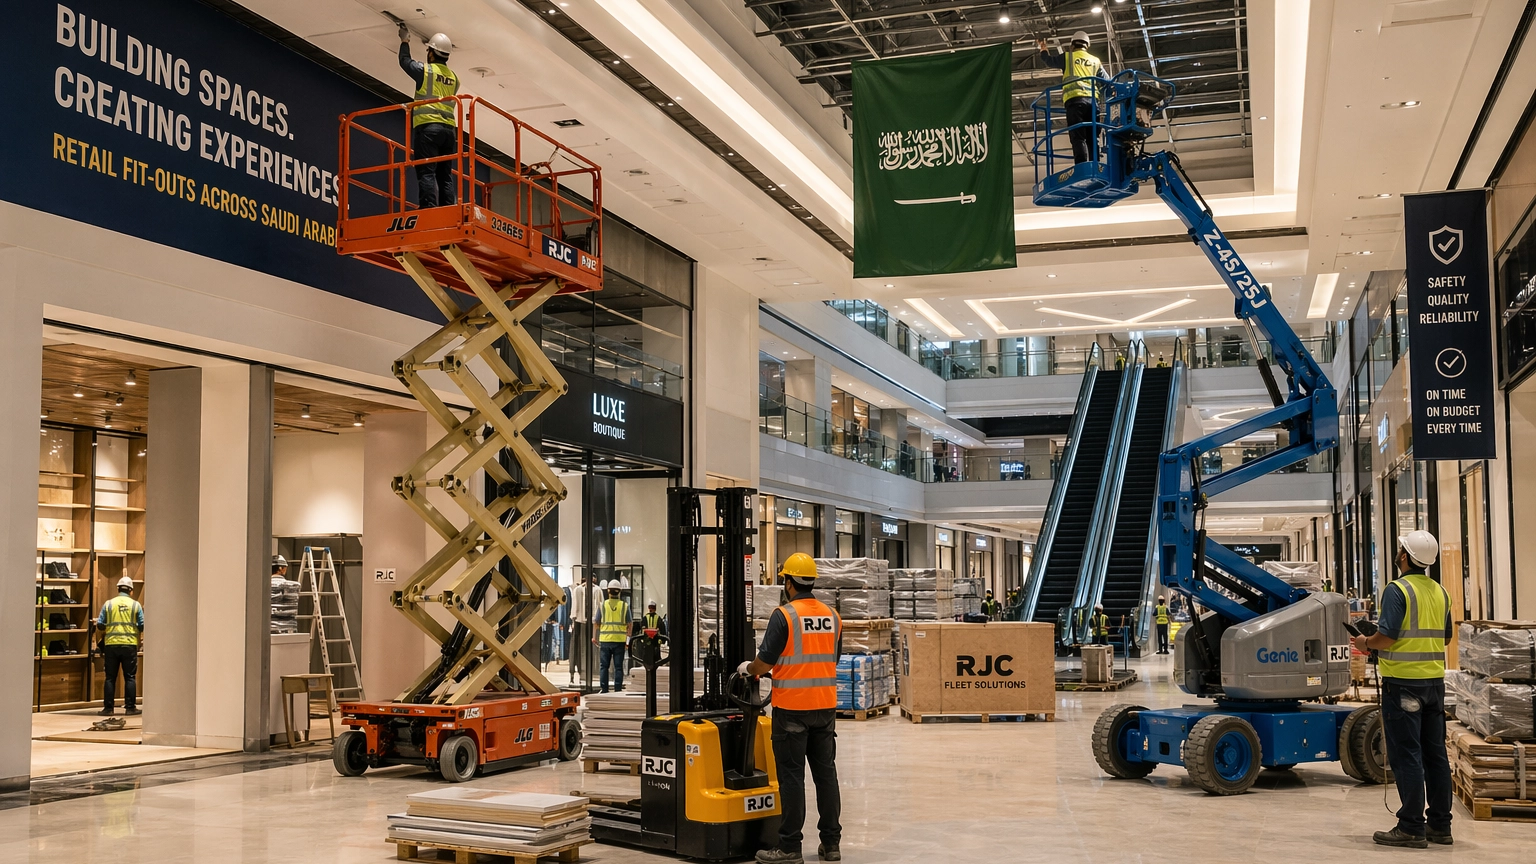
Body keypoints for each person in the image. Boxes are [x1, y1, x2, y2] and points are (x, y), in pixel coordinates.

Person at [739, 553, 842, 864]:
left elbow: (766, 661)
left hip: (792, 710)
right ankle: (831, 844)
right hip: (825, 708)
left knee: (792, 778)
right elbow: (831, 660)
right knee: (826, 776)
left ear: (788, 582)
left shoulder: (784, 616)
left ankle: (789, 848)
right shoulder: (832, 616)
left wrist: (749, 669)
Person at [1353, 531, 1453, 848]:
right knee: (1436, 755)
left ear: (1405, 557)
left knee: (1407, 754)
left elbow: (1388, 637)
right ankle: (1440, 825)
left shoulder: (1398, 591)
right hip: (1434, 685)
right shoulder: (1440, 592)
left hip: (1404, 686)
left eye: (1400, 550)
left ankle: (1411, 826)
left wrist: (1365, 643)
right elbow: (1446, 637)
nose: (1397, 553)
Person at [398, 25, 460, 209]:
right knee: (445, 175)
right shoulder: (455, 78)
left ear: (432, 53)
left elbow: (405, 61)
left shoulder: (425, 71)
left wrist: (405, 40)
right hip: (449, 132)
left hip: (428, 129)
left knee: (426, 172)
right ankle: (448, 210)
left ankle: (429, 209)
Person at [1036, 31, 1109, 164]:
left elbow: (1048, 60)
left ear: (1072, 45)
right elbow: (1107, 81)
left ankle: (1081, 166)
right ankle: (1096, 165)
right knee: (1093, 137)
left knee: (1078, 136)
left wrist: (1043, 47)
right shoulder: (1095, 61)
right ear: (1087, 45)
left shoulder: (1068, 57)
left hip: (1075, 101)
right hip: (1093, 103)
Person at [96, 576, 144, 716]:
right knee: (130, 677)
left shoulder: (109, 604)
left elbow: (100, 624)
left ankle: (108, 709)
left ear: (118, 589)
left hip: (111, 645)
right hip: (129, 645)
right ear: (131, 591)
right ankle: (130, 707)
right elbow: (142, 625)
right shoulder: (136, 605)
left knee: (110, 677)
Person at [596, 580, 629, 693]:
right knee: (618, 667)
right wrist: (627, 641)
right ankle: (618, 689)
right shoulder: (624, 606)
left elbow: (596, 622)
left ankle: (604, 689)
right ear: (619, 591)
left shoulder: (602, 605)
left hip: (605, 640)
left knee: (604, 666)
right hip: (620, 641)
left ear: (608, 591)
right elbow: (630, 624)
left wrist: (596, 636)